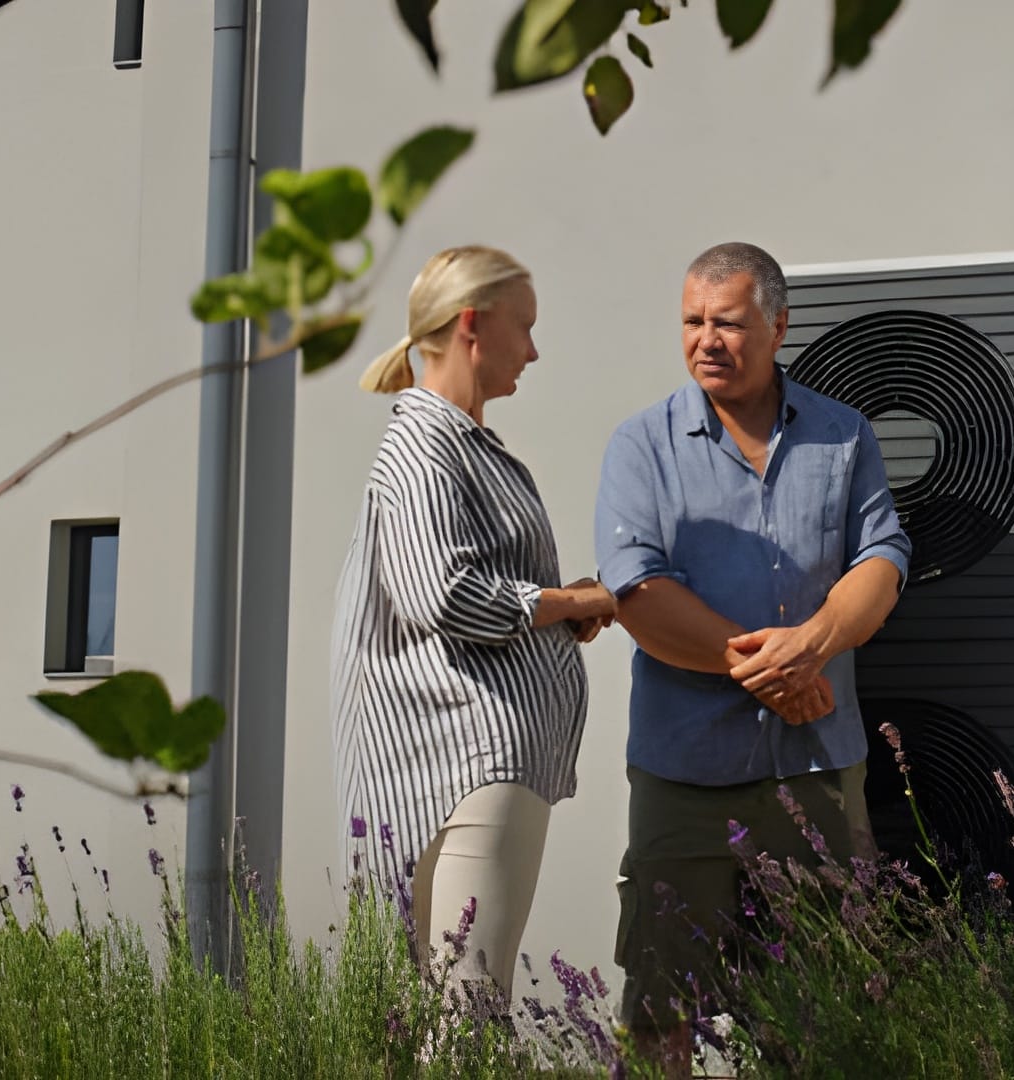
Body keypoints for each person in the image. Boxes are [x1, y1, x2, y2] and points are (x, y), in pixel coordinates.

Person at [593, 241, 911, 1076]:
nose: (707, 340)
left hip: (814, 772)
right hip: (682, 779)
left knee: (821, 1003)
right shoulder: (642, 445)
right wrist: (774, 674)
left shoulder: (843, 437)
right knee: (661, 1010)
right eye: (693, 322)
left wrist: (811, 645)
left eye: (728, 323)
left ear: (777, 326)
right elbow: (637, 592)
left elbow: (882, 563)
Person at [331, 245, 616, 1011]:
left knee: (442, 1012)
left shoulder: (458, 445)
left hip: (465, 753)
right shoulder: (426, 443)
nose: (533, 348)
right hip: (468, 754)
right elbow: (442, 594)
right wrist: (565, 604)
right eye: (523, 326)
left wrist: (559, 609)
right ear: (471, 326)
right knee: (466, 1012)